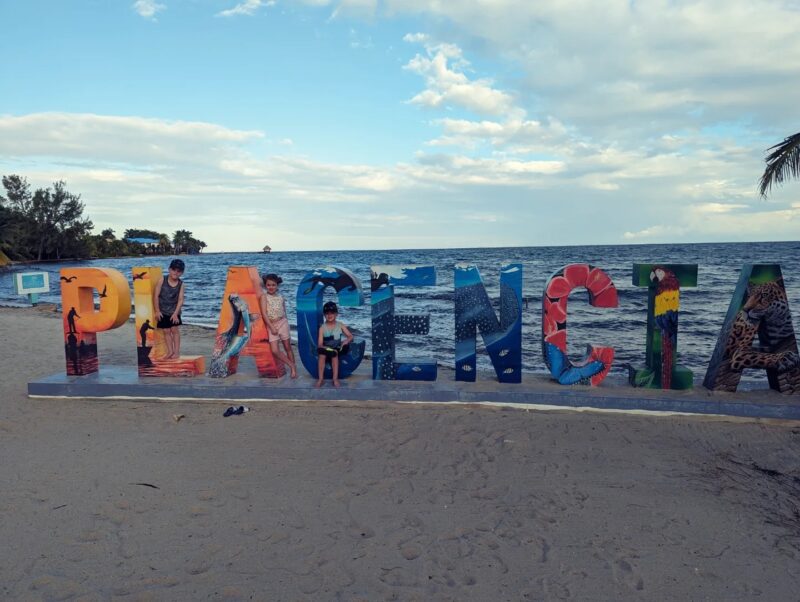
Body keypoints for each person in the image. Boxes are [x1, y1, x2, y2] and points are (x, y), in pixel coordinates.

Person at [259, 273, 298, 378]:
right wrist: (271, 327)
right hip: (272, 324)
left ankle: (293, 371)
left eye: (273, 285)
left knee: (287, 347)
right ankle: (292, 365)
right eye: (268, 285)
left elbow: (284, 311)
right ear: (265, 286)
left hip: (283, 323)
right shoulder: (264, 297)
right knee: (275, 350)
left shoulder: (280, 297)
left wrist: (286, 322)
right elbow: (264, 313)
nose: (271, 287)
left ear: (277, 285)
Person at [153, 258, 186, 359]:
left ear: (182, 272)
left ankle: (176, 352)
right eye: (174, 270)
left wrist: (176, 313)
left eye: (178, 271)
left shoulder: (181, 284)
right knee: (166, 331)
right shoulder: (162, 280)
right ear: (169, 269)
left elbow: (180, 300)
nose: (175, 272)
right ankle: (170, 352)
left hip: (174, 312)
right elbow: (156, 296)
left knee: (174, 330)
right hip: (163, 312)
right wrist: (157, 311)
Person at [316, 301, 353, 388]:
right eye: (327, 313)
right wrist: (326, 349)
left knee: (335, 355)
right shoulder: (322, 328)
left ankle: (335, 379)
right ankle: (320, 379)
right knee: (322, 356)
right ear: (324, 315)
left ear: (336, 314)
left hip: (336, 349)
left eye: (332, 313)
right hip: (326, 349)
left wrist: (346, 341)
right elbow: (320, 344)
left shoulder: (340, 325)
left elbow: (350, 336)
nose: (329, 315)